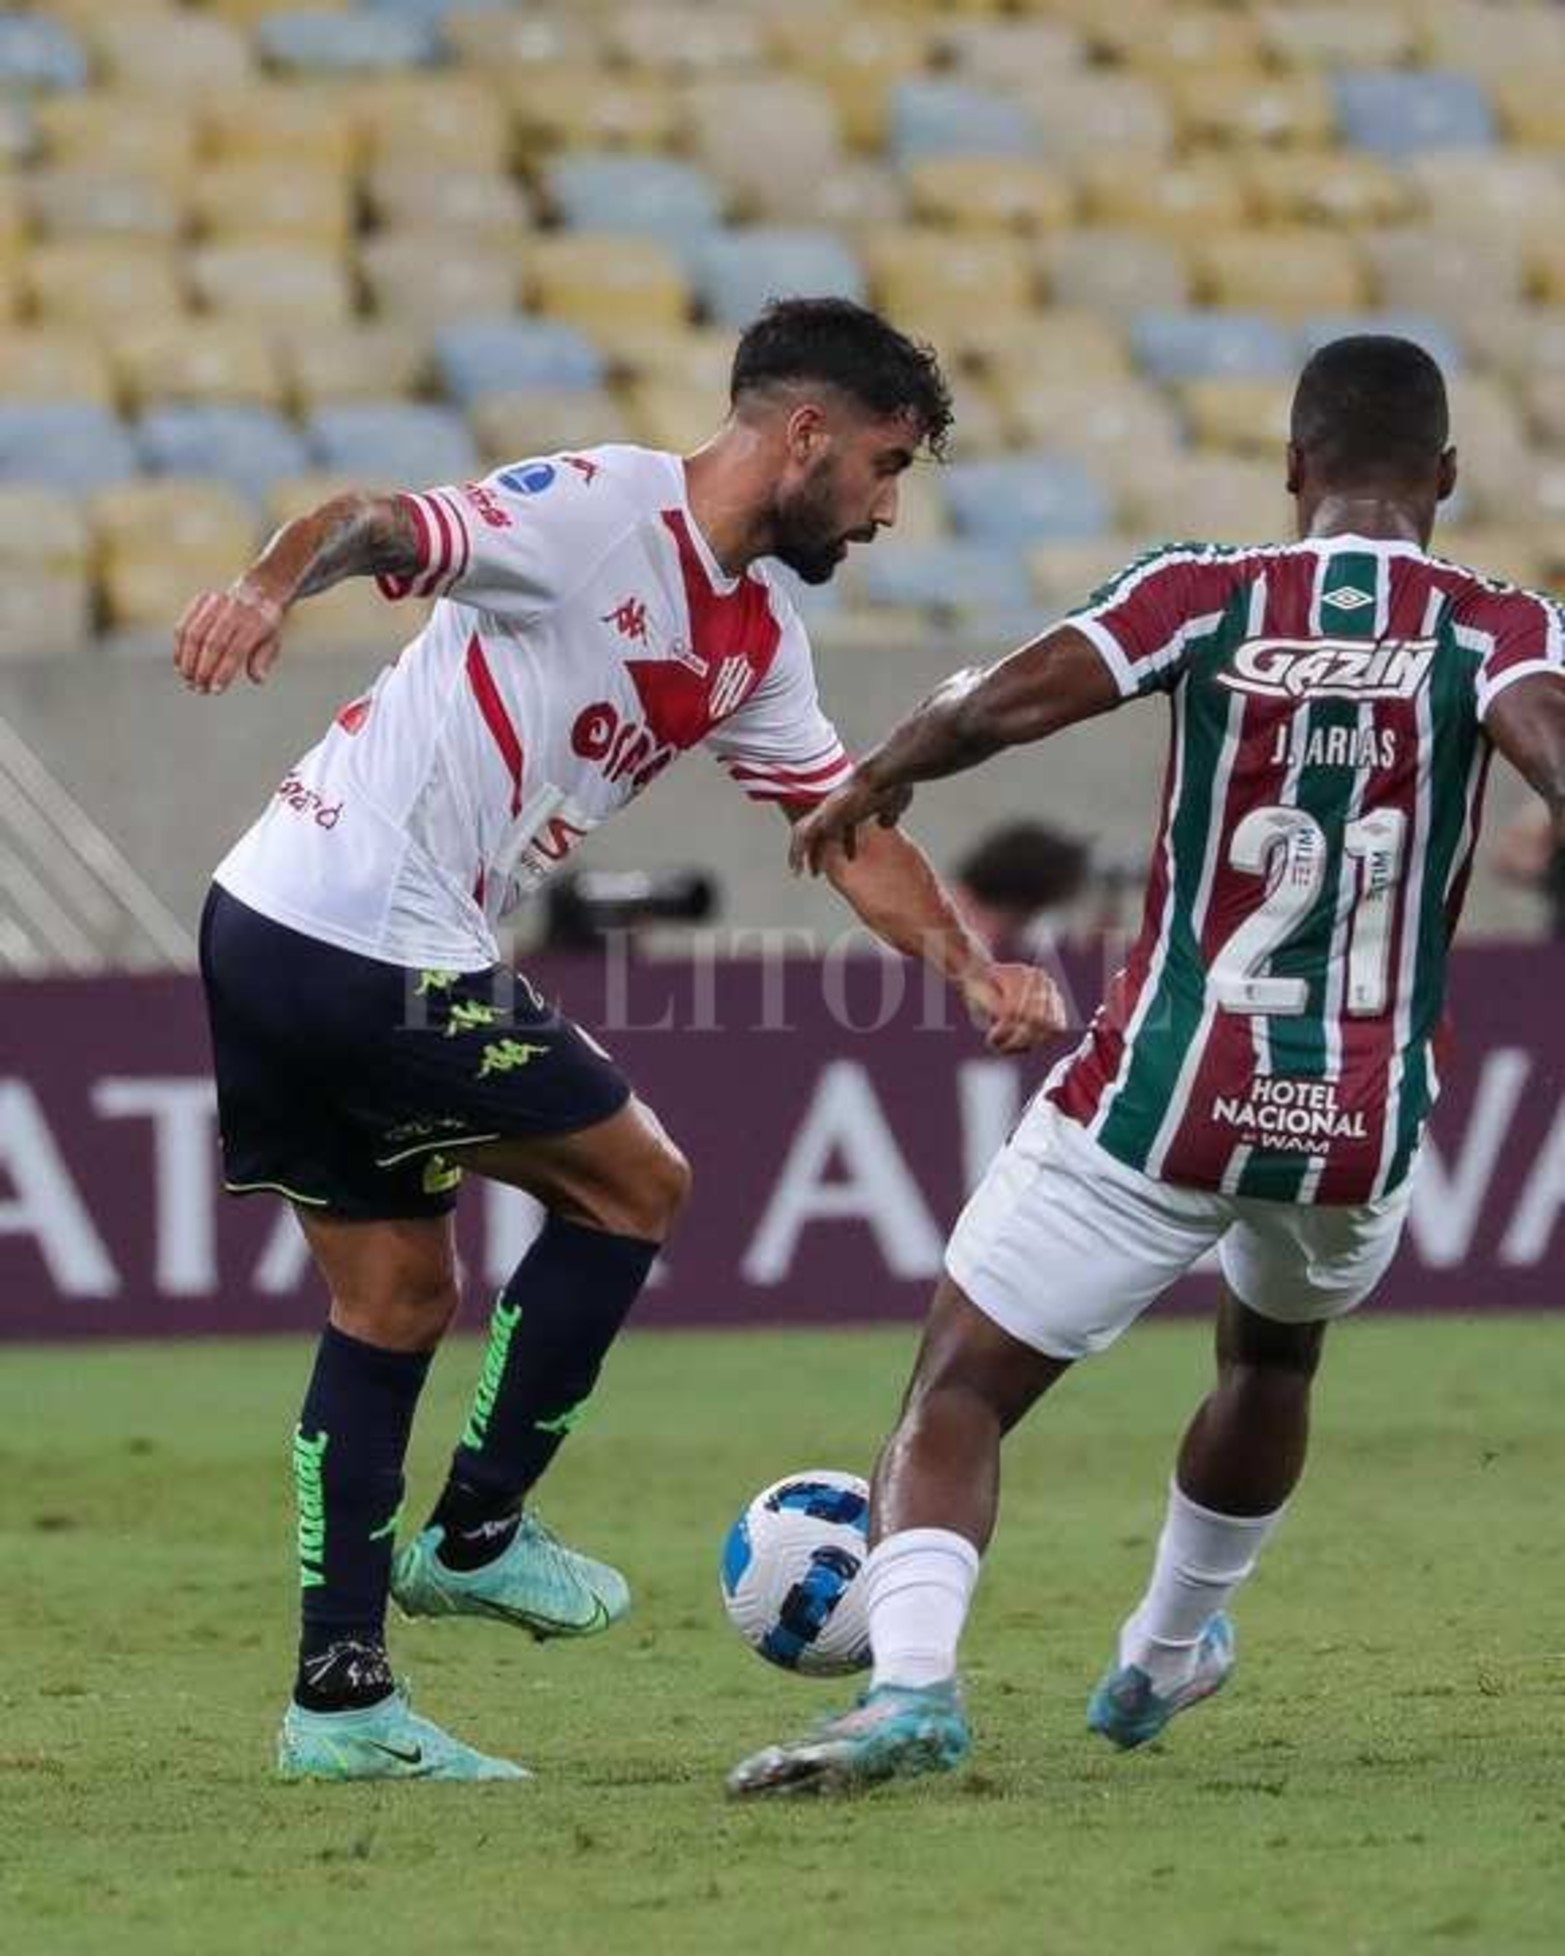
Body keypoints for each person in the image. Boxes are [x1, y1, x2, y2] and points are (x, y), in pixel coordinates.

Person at [174, 298, 1064, 1783]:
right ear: (806, 436)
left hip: (269, 921)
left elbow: (846, 830)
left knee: (393, 1298)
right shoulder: (598, 511)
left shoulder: (756, 638)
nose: (887, 512)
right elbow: (375, 522)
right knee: (635, 1181)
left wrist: (967, 967)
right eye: (885, 467)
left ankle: (340, 1703)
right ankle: (476, 1533)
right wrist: (268, 587)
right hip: (363, 930)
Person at [728, 334, 1565, 1796]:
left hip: (1161, 1096)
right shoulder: (1499, 625)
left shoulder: (1209, 592)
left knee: (959, 1390)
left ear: (1292, 466)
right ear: (1442, 476)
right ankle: (1168, 1648)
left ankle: (910, 1687)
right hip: (1355, 1120)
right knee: (1272, 1355)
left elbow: (1000, 700)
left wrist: (881, 773)